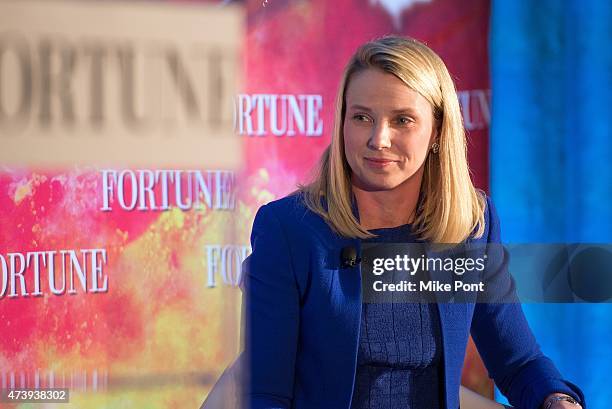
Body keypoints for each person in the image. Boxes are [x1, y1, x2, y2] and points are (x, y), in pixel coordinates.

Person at [234, 36, 586, 409]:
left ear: (436, 131)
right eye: (361, 117)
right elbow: (265, 395)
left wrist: (556, 399)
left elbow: (519, 363)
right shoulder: (288, 229)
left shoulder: (472, 226)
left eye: (402, 120)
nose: (378, 139)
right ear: (341, 123)